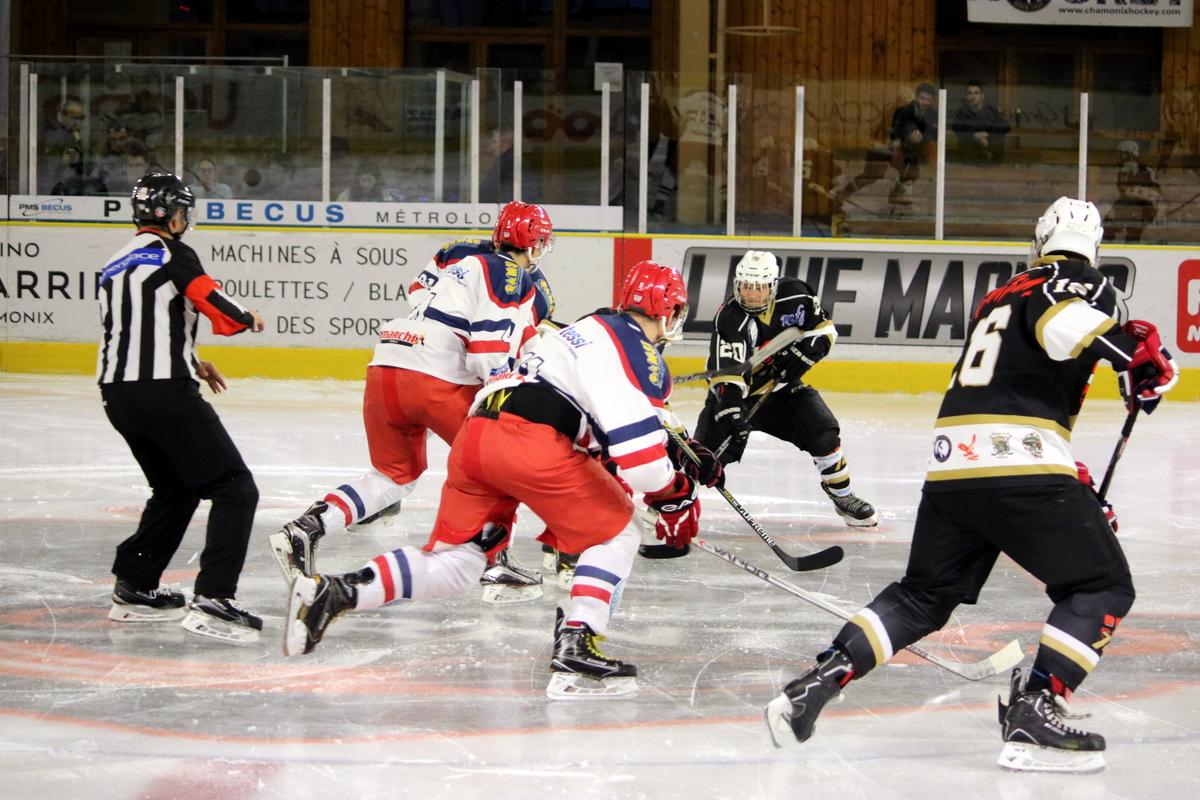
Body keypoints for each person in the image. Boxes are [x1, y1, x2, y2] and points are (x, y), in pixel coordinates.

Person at [763, 197, 1179, 774]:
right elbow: (1061, 325)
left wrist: (1069, 474)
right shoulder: (1084, 284)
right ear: (1095, 249)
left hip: (955, 465)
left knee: (922, 596)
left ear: (1040, 240)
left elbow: (1012, 381)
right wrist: (1130, 352)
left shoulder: (1001, 292)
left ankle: (815, 683)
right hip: (1020, 464)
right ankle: (1037, 709)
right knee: (1102, 586)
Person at [283, 261, 719, 702]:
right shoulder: (638, 350)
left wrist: (672, 440)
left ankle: (334, 593)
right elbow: (639, 463)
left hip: (477, 437)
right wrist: (675, 497)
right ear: (668, 310)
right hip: (532, 441)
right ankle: (577, 643)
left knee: (459, 564)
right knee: (619, 529)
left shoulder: (588, 329)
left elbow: (608, 414)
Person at [268, 201, 557, 601]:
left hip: (387, 362)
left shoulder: (461, 256)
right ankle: (493, 565)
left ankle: (307, 529)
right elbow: (488, 350)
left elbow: (420, 293)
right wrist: (508, 389)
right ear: (535, 243)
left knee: (394, 476)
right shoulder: (511, 273)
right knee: (499, 463)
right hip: (433, 374)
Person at [98, 172, 267, 643]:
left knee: (174, 489)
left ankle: (135, 585)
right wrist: (244, 317)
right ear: (172, 215)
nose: (185, 221)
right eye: (183, 212)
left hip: (118, 394)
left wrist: (192, 359)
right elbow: (205, 295)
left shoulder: (115, 261)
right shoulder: (173, 252)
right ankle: (215, 597)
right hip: (163, 393)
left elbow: (135, 326)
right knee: (236, 488)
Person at [694, 250, 877, 528]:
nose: (752, 295)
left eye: (759, 288)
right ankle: (673, 504)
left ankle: (843, 496)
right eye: (746, 287)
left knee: (823, 431)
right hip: (739, 398)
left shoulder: (796, 296)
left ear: (773, 285)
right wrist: (731, 411)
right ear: (736, 285)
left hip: (781, 392)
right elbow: (727, 376)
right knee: (701, 460)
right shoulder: (731, 318)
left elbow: (824, 330)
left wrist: (804, 355)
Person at [1104, 140, 1160, 243]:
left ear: (1128, 154)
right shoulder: (1122, 172)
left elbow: (1155, 194)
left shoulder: (1147, 172)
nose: (1119, 157)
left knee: (1133, 234)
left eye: (1121, 153)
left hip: (1142, 210)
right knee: (1108, 227)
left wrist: (1137, 192)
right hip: (1124, 207)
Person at [950, 80, 1011, 162]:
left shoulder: (991, 111)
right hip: (969, 160)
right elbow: (956, 128)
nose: (973, 96)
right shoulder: (962, 113)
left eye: (976, 93)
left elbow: (1006, 126)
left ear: (982, 96)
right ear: (966, 96)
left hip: (990, 159)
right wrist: (974, 136)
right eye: (970, 93)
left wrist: (987, 136)